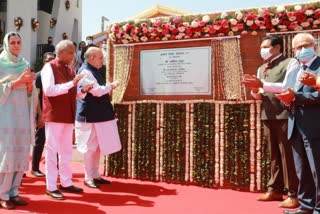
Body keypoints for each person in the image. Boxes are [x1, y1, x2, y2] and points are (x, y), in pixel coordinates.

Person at [242, 35, 299, 209]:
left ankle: (293, 194)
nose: (262, 50)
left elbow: (288, 87)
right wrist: (254, 89)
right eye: (261, 47)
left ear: (277, 48)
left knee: (287, 155)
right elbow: (259, 94)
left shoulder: (291, 63)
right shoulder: (262, 68)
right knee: (274, 155)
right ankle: (274, 189)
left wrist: (263, 85)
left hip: (285, 113)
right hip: (267, 114)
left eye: (266, 47)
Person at [275, 33, 320, 214]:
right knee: (303, 170)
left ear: (314, 46)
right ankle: (306, 206)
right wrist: (286, 100)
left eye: (305, 46)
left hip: (315, 127)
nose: (302, 50)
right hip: (295, 126)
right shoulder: (295, 69)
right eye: (298, 48)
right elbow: (287, 93)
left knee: (317, 170)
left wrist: (296, 97)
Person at [41, 40, 84, 200]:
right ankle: (50, 186)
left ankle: (66, 182)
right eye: (71, 52)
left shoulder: (70, 69)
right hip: (54, 115)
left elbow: (74, 92)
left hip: (67, 115)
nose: (74, 56)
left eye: (74, 52)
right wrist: (70, 84)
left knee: (66, 151)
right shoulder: (49, 67)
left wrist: (83, 91)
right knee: (52, 152)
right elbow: (49, 90)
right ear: (61, 53)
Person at [75, 47, 122, 188]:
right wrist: (111, 86)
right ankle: (88, 177)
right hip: (89, 115)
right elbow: (96, 91)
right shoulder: (85, 71)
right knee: (90, 147)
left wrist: (108, 87)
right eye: (100, 57)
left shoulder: (93, 70)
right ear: (91, 58)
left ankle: (95, 174)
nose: (103, 59)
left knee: (97, 147)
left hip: (98, 115)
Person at [0, 32, 36, 209]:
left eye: (18, 42)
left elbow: (31, 93)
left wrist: (29, 86)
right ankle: (2, 194)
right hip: (5, 114)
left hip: (22, 113)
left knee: (21, 151)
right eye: (12, 42)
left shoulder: (25, 64)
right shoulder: (0, 63)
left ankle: (14, 192)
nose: (15, 45)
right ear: (6, 44)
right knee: (7, 153)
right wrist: (17, 82)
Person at [31, 52, 56, 177]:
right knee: (40, 140)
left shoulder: (54, 75)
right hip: (41, 112)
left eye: (53, 59)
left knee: (53, 140)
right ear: (44, 61)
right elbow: (36, 98)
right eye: (48, 60)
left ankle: (53, 167)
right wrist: (40, 115)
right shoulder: (39, 76)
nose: (51, 62)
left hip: (53, 112)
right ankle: (35, 168)